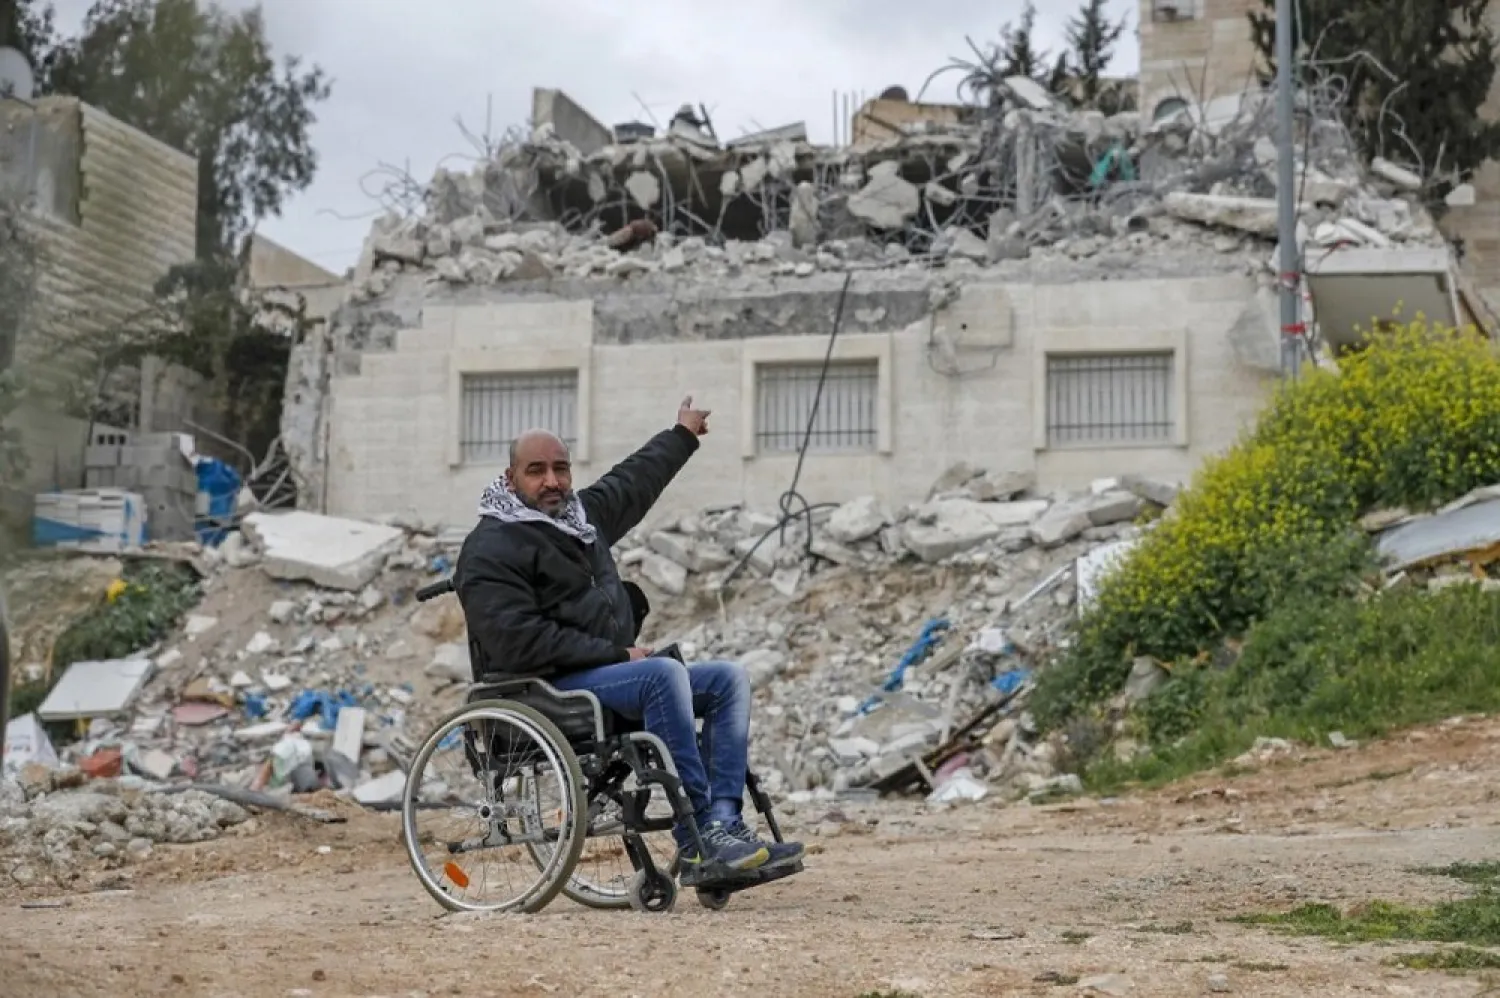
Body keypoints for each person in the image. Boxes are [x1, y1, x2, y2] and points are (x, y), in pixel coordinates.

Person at [453, 397, 804, 888]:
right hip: (545, 688)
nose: (552, 481)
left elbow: (632, 483)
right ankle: (698, 838)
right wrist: (616, 655)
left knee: (728, 679)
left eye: (560, 469)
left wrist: (681, 435)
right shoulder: (491, 546)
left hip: (603, 675)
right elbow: (516, 642)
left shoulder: (577, 520)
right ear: (511, 479)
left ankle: (725, 824)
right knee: (660, 675)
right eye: (537, 471)